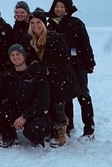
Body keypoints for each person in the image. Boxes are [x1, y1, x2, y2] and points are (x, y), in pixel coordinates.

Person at [22, 8, 81, 148]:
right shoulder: (28, 38)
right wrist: (33, 65)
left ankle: (61, 134)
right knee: (48, 106)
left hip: (61, 78)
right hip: (45, 80)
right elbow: (28, 57)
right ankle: (51, 130)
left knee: (58, 106)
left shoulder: (55, 37)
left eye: (38, 22)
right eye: (32, 22)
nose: (35, 25)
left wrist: (47, 69)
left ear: (44, 23)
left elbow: (65, 60)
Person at [47, 0, 96, 141]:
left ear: (68, 8)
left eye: (62, 7)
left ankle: (89, 130)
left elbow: (85, 44)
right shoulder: (50, 25)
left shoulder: (76, 23)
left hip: (77, 66)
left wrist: (89, 62)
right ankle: (68, 126)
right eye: (57, 6)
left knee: (83, 96)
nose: (59, 9)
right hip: (61, 68)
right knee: (65, 98)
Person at [0, 44, 50, 148]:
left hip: (34, 113)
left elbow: (42, 101)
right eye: (12, 55)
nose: (15, 57)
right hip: (15, 109)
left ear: (24, 56)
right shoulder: (7, 75)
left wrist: (25, 116)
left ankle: (42, 133)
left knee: (34, 133)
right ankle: (9, 135)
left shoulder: (36, 75)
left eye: (18, 54)